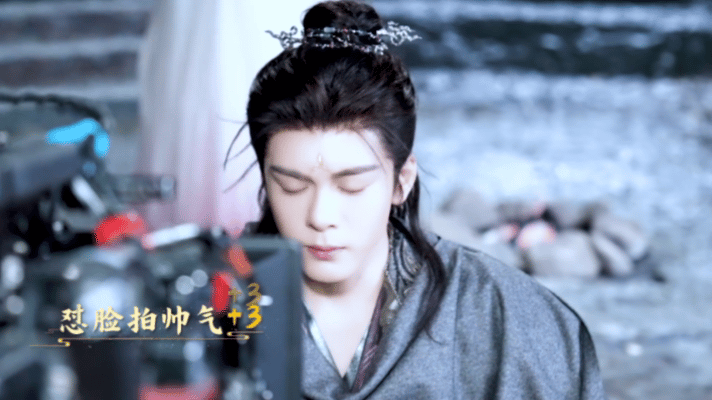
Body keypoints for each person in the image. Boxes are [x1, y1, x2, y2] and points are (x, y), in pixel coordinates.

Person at [237, 1, 607, 398]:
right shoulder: (215, 302)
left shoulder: (514, 316)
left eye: (352, 186)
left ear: (402, 180)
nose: (321, 216)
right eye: (292, 186)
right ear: (266, 179)